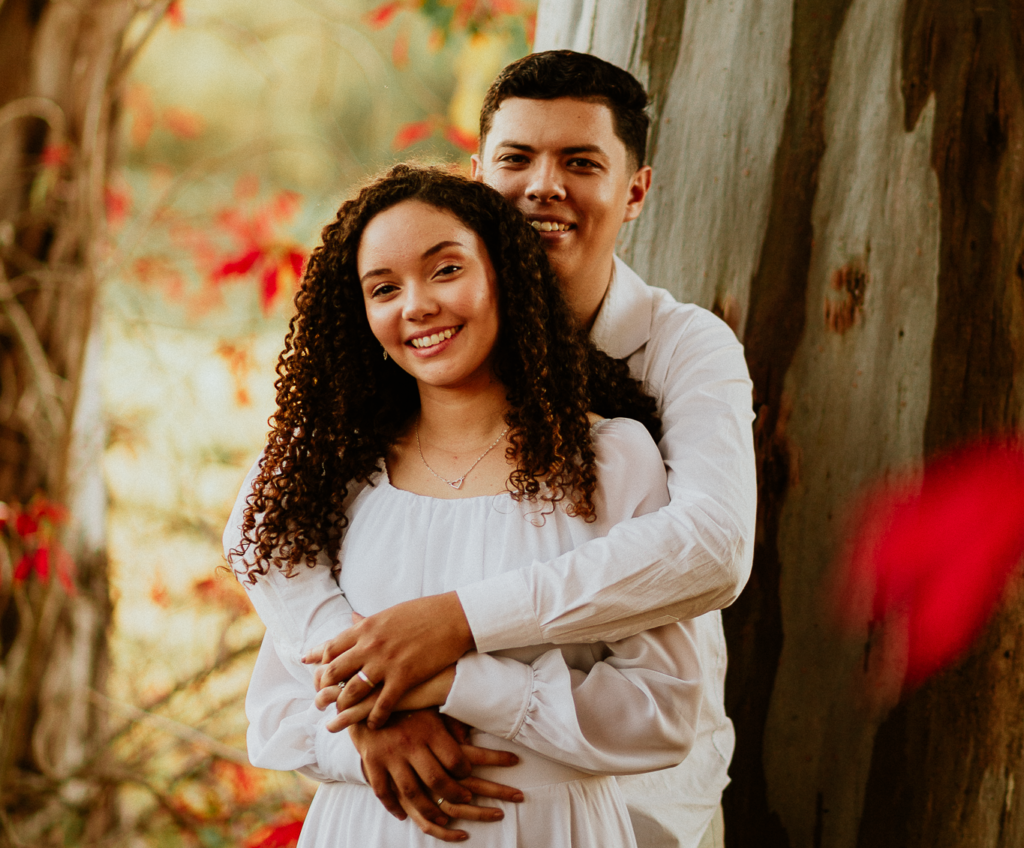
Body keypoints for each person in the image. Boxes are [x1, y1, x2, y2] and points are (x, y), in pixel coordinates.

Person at [234, 51, 757, 847]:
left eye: (580, 162)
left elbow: (712, 546)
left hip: (635, 796)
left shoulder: (677, 353)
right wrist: (373, 695)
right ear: (480, 176)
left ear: (635, 190)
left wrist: (459, 627)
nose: (544, 185)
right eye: (517, 159)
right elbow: (260, 531)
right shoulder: (385, 391)